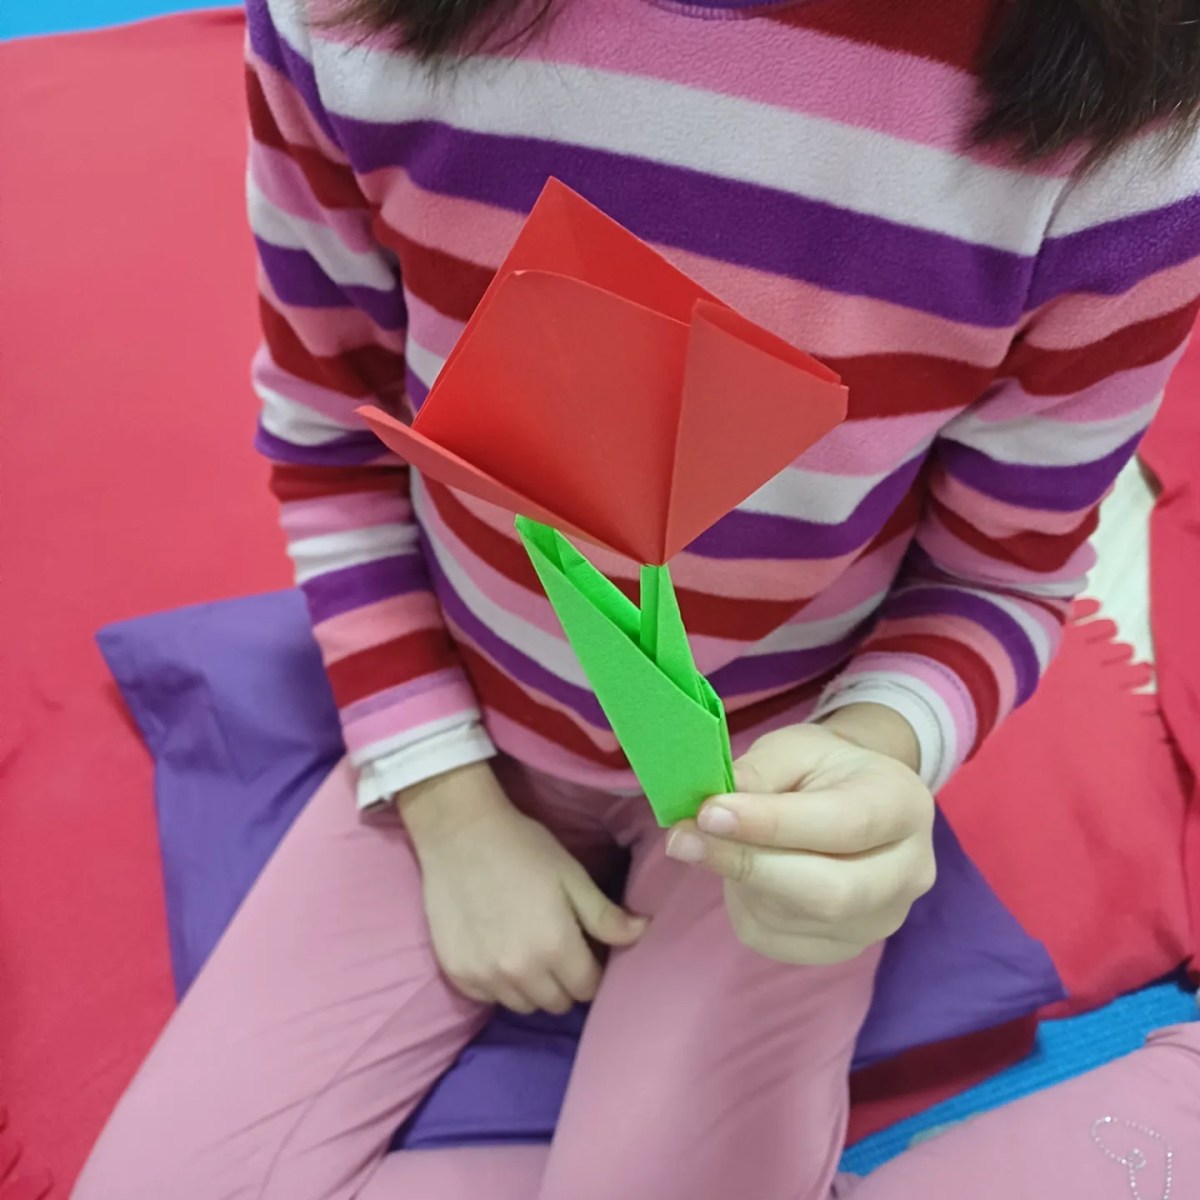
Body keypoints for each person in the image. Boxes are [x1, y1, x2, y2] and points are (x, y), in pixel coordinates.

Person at [76, 0, 1200, 1197]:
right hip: (464, 709)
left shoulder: (1123, 141)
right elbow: (331, 434)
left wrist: (874, 758)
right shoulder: (344, 26)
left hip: (767, 786)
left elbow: (1002, 569)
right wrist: (451, 807)